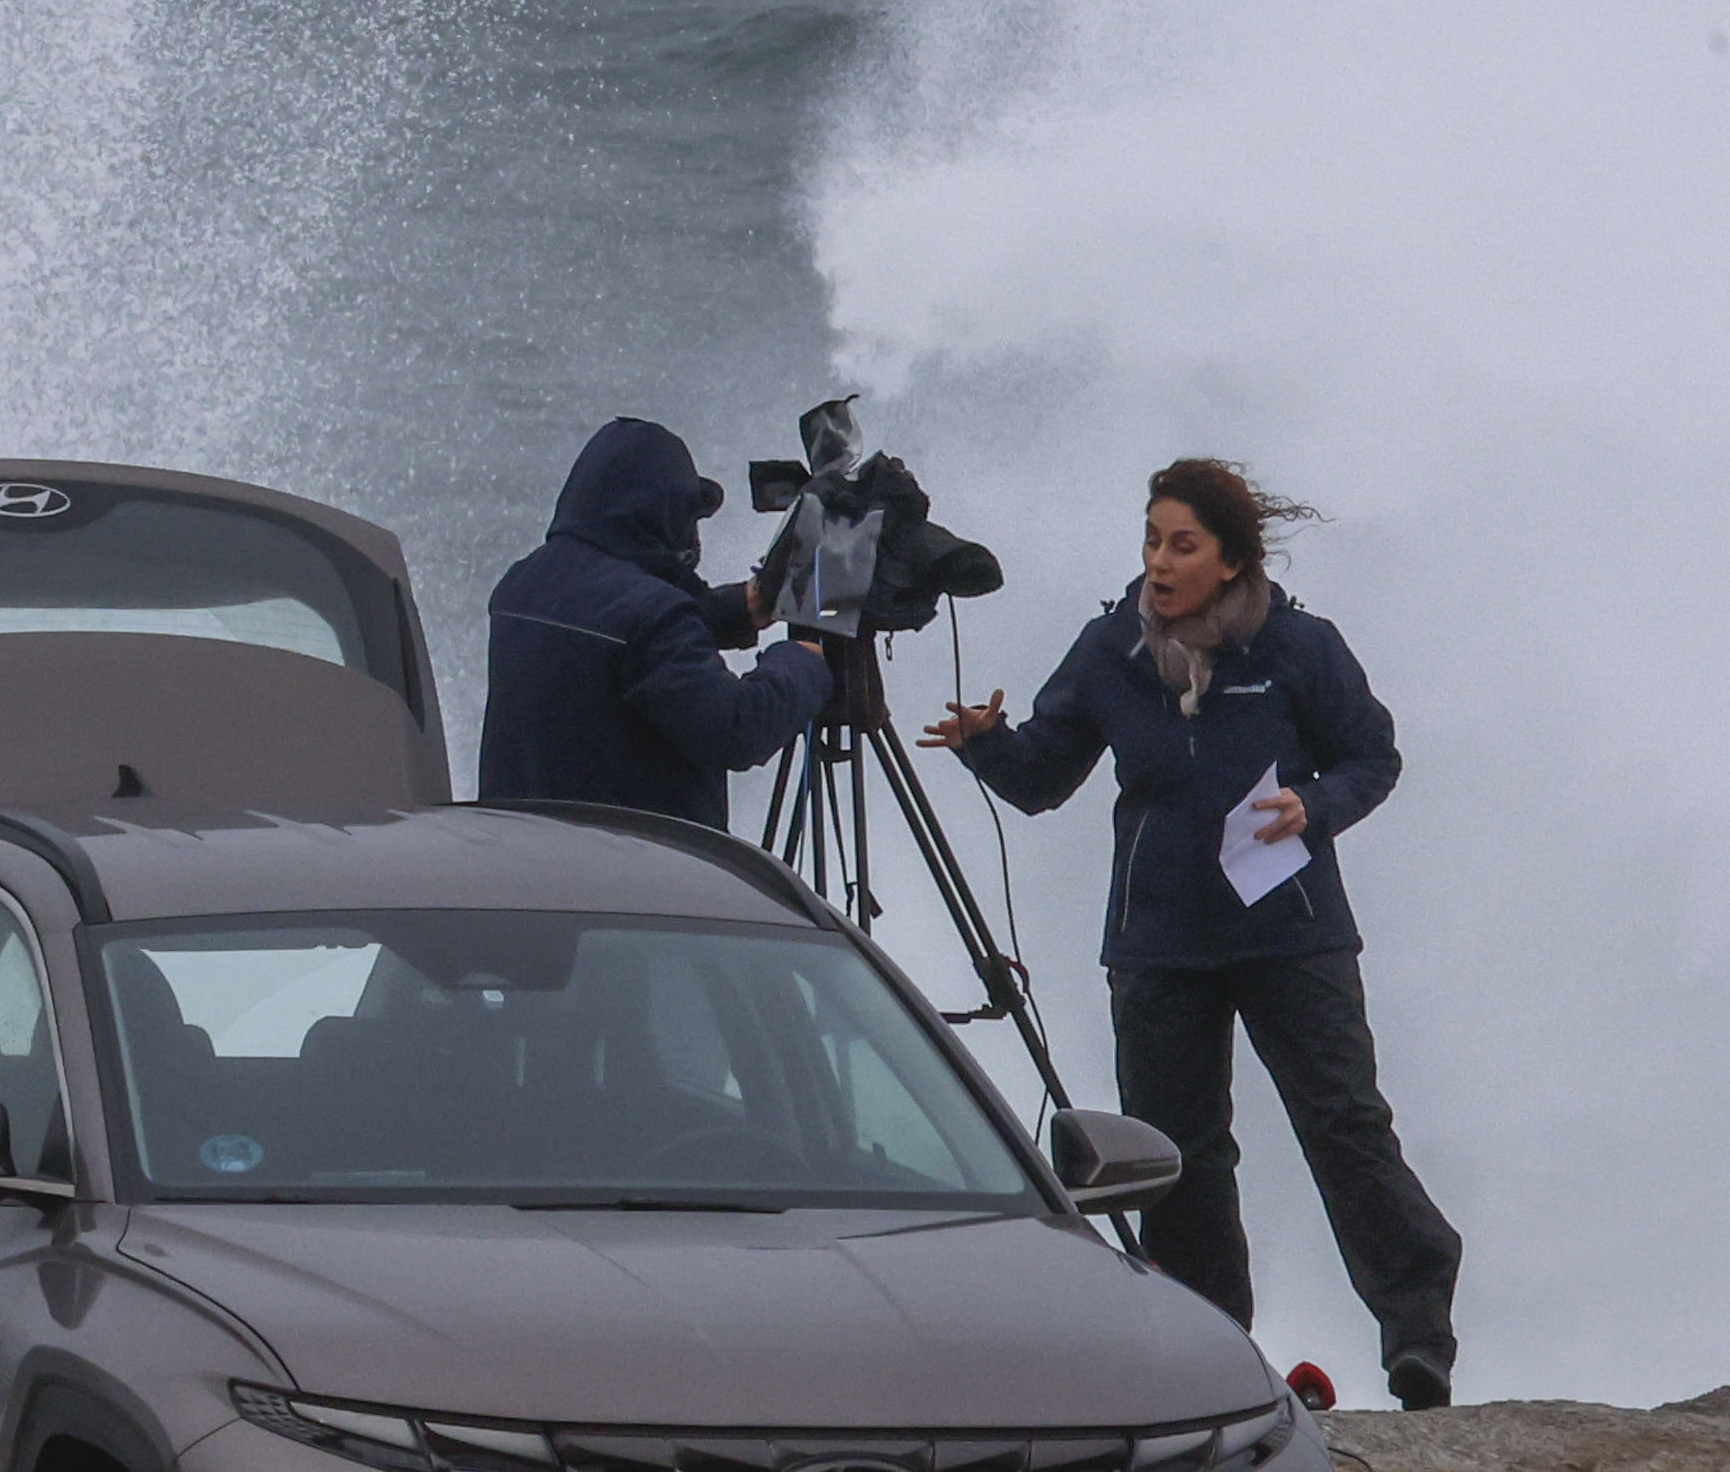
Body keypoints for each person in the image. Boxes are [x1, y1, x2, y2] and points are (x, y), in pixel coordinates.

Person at [924, 458, 1464, 1410]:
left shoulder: (1297, 646)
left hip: (1290, 932)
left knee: (1343, 1125)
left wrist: (1319, 804)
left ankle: (1416, 1330)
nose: (1160, 564)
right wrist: (986, 746)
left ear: (1230, 559)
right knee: (1179, 1155)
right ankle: (1209, 1357)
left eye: (1183, 546)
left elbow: (1372, 755)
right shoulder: (1110, 651)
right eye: (1151, 541)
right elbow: (1043, 781)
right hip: (1160, 945)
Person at [477, 416, 833, 829]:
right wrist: (802, 662)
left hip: (519, 857)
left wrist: (740, 608)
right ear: (660, 513)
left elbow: (614, 640)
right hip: (638, 874)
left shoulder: (521, 583)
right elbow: (736, 730)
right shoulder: (654, 615)